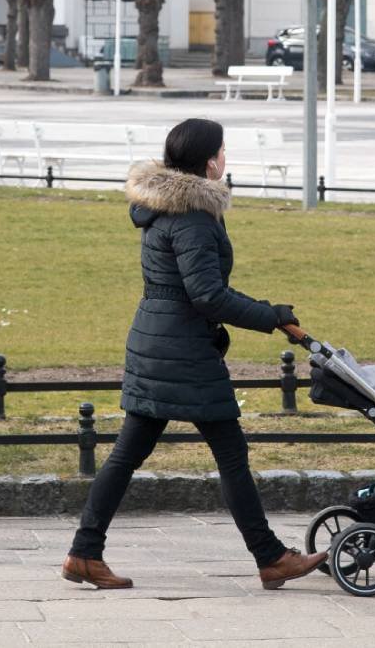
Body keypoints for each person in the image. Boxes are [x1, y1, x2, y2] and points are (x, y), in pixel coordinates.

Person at [63, 118, 325, 591]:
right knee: (230, 453)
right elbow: (208, 295)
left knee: (128, 454)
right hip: (182, 351)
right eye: (223, 151)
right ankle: (270, 558)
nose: (226, 159)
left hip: (156, 341)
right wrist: (272, 316)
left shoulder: (162, 208)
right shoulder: (193, 217)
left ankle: (84, 553)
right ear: (210, 161)